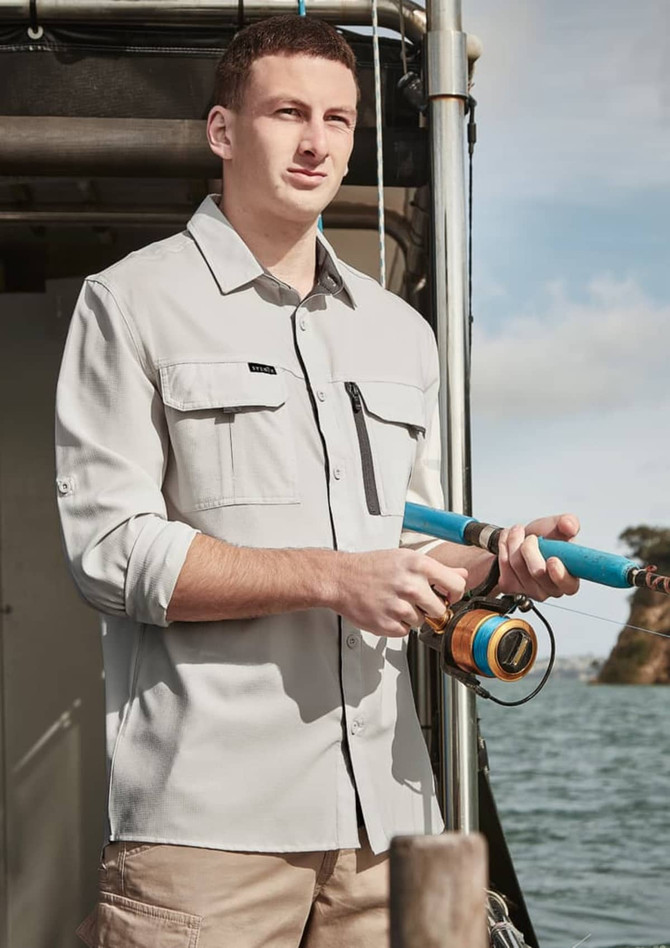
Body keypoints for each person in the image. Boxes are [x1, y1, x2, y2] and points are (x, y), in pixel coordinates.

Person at [56, 15, 579, 948]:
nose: (316, 143)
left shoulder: (398, 334)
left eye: (338, 120)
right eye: (288, 113)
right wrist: (334, 576)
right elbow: (109, 551)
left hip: (393, 824)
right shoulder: (127, 302)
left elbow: (410, 551)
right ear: (223, 132)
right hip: (205, 838)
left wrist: (501, 566)